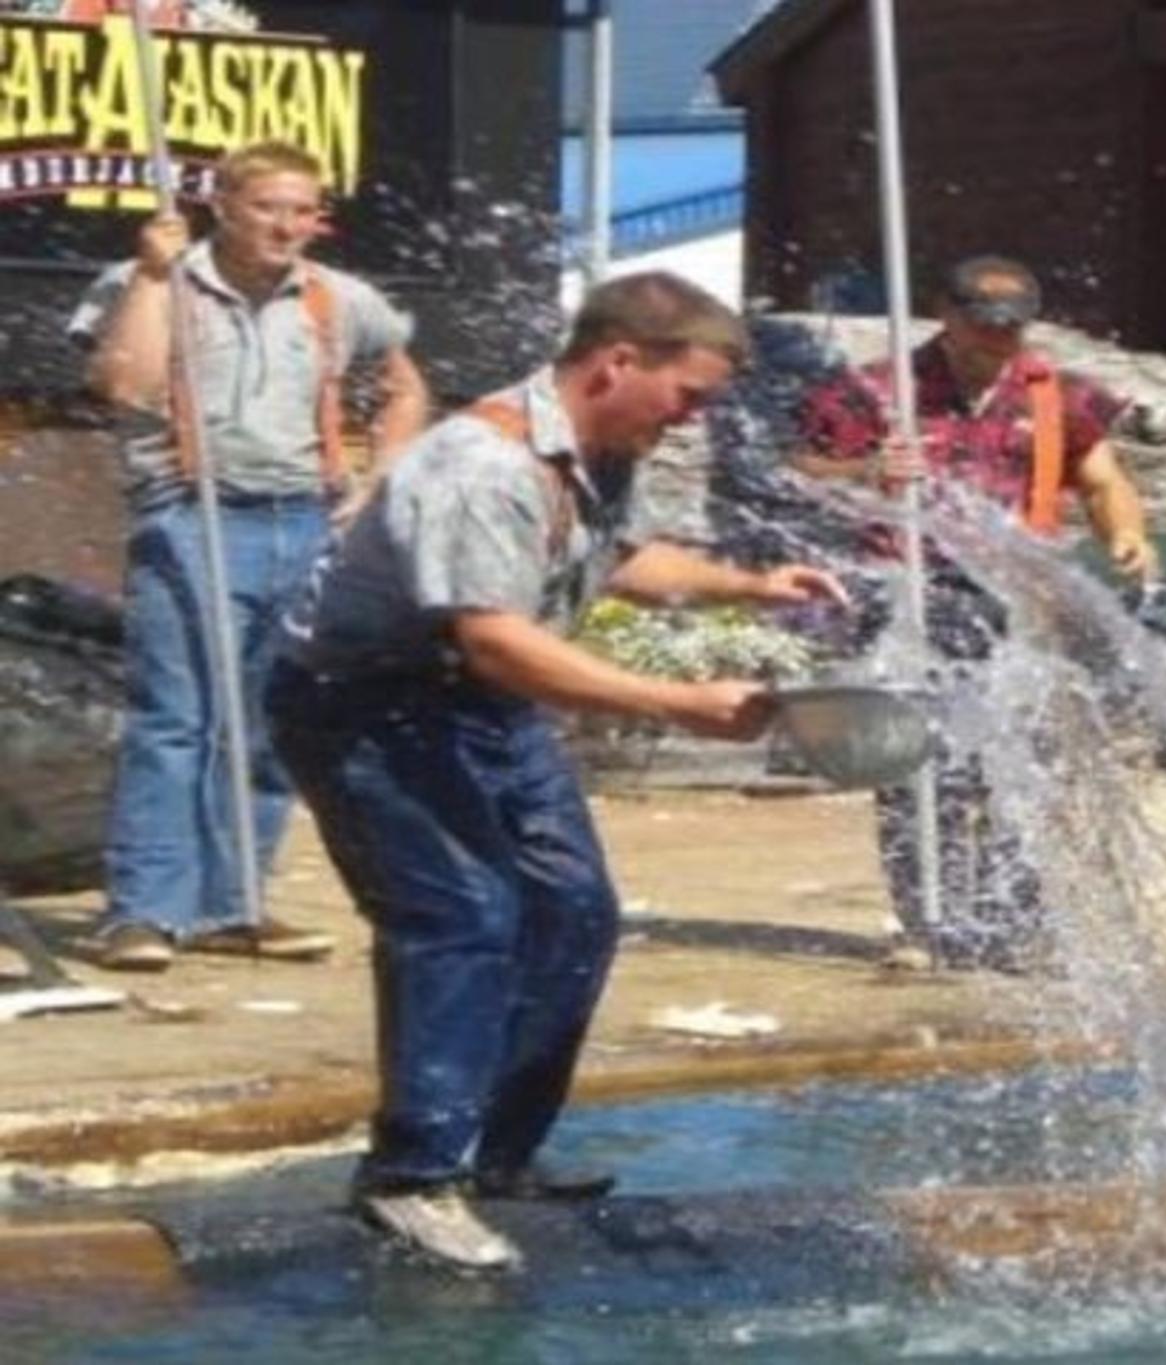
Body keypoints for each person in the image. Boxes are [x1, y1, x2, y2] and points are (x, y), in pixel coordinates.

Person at [267, 272, 847, 1271]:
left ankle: (494, 1155)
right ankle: (412, 1179)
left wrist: (748, 587)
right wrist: (681, 705)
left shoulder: (597, 449)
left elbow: (614, 559)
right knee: (459, 917)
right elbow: (496, 642)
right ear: (617, 362)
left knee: (573, 912)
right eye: (689, 396)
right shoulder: (478, 466)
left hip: (475, 704)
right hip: (368, 705)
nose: (693, 420)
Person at [70, 140, 431, 973]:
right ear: (222, 205)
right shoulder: (153, 281)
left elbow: (406, 384)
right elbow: (124, 385)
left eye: (302, 209)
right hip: (193, 514)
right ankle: (144, 911)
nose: (287, 225)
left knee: (268, 722)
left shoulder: (337, 299)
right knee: (178, 717)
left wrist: (379, 478)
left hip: (304, 519)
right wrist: (155, 279)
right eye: (269, 205)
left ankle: (233, 904)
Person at [795, 254, 1160, 970]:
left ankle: (1014, 919)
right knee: (918, 761)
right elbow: (803, 468)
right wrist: (867, 472)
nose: (1002, 339)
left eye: (1014, 326)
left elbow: (1102, 477)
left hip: (1016, 599)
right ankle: (925, 917)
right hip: (907, 593)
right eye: (986, 325)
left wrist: (1128, 532)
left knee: (1016, 758)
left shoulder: (1057, 395)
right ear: (949, 316)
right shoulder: (877, 391)